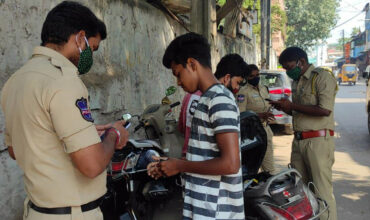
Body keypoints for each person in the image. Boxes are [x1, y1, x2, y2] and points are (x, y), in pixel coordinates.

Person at [1, 2, 129, 219]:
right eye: (92, 48)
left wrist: (84, 134)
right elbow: (91, 165)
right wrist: (113, 135)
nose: (91, 56)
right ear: (80, 38)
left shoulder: (16, 81)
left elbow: (17, 149)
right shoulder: (63, 80)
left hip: (36, 211)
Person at [148, 33, 244, 220]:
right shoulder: (206, 98)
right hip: (202, 209)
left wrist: (180, 165)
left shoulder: (219, 100)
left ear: (192, 64)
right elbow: (205, 154)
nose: (178, 82)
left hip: (217, 212)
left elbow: (231, 164)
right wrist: (170, 164)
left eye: (178, 74)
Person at [269, 47, 338, 220]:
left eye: (289, 66)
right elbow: (301, 112)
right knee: (301, 192)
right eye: (284, 68)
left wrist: (291, 106)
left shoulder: (322, 77)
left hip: (318, 142)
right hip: (299, 142)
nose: (287, 71)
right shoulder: (297, 81)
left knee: (321, 192)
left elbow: (325, 110)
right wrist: (285, 108)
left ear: (301, 61)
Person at [236, 64, 276, 175]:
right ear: (246, 78)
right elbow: (241, 115)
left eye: (257, 75)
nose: (256, 78)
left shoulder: (264, 89)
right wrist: (259, 115)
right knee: (251, 168)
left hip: (266, 130)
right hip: (252, 133)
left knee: (269, 168)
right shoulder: (243, 92)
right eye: (251, 76)